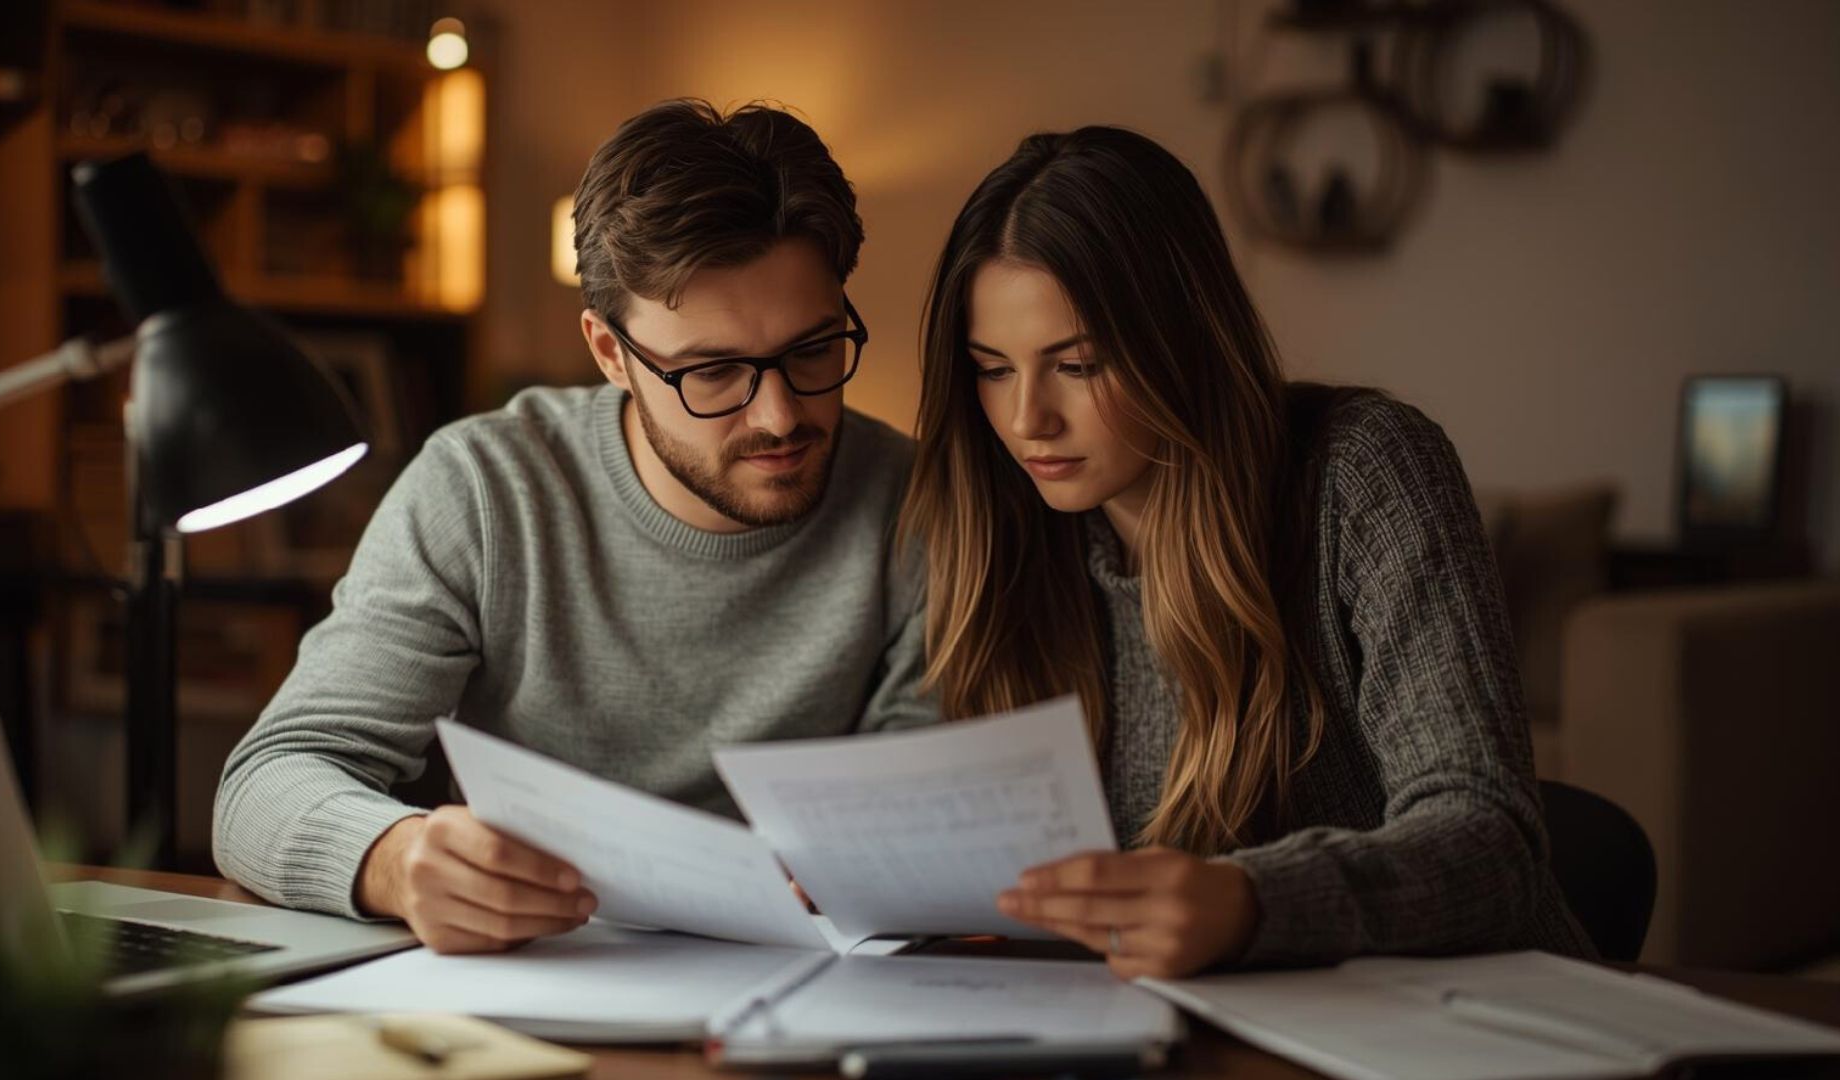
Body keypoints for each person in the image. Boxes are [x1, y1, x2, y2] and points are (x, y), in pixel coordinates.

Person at [214, 100, 935, 953]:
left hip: (814, 992)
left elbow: (921, 801)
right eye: (713, 371)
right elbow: (263, 783)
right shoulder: (486, 488)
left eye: (813, 351)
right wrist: (398, 858)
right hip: (539, 980)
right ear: (609, 352)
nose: (780, 416)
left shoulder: (916, 501)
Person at [901, 126, 1594, 979]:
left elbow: (1491, 839)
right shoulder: (1008, 531)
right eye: (993, 369)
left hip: (1475, 1026)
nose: (1025, 420)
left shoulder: (1361, 471)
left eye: (1076, 364)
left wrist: (1251, 902)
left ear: (1181, 338)